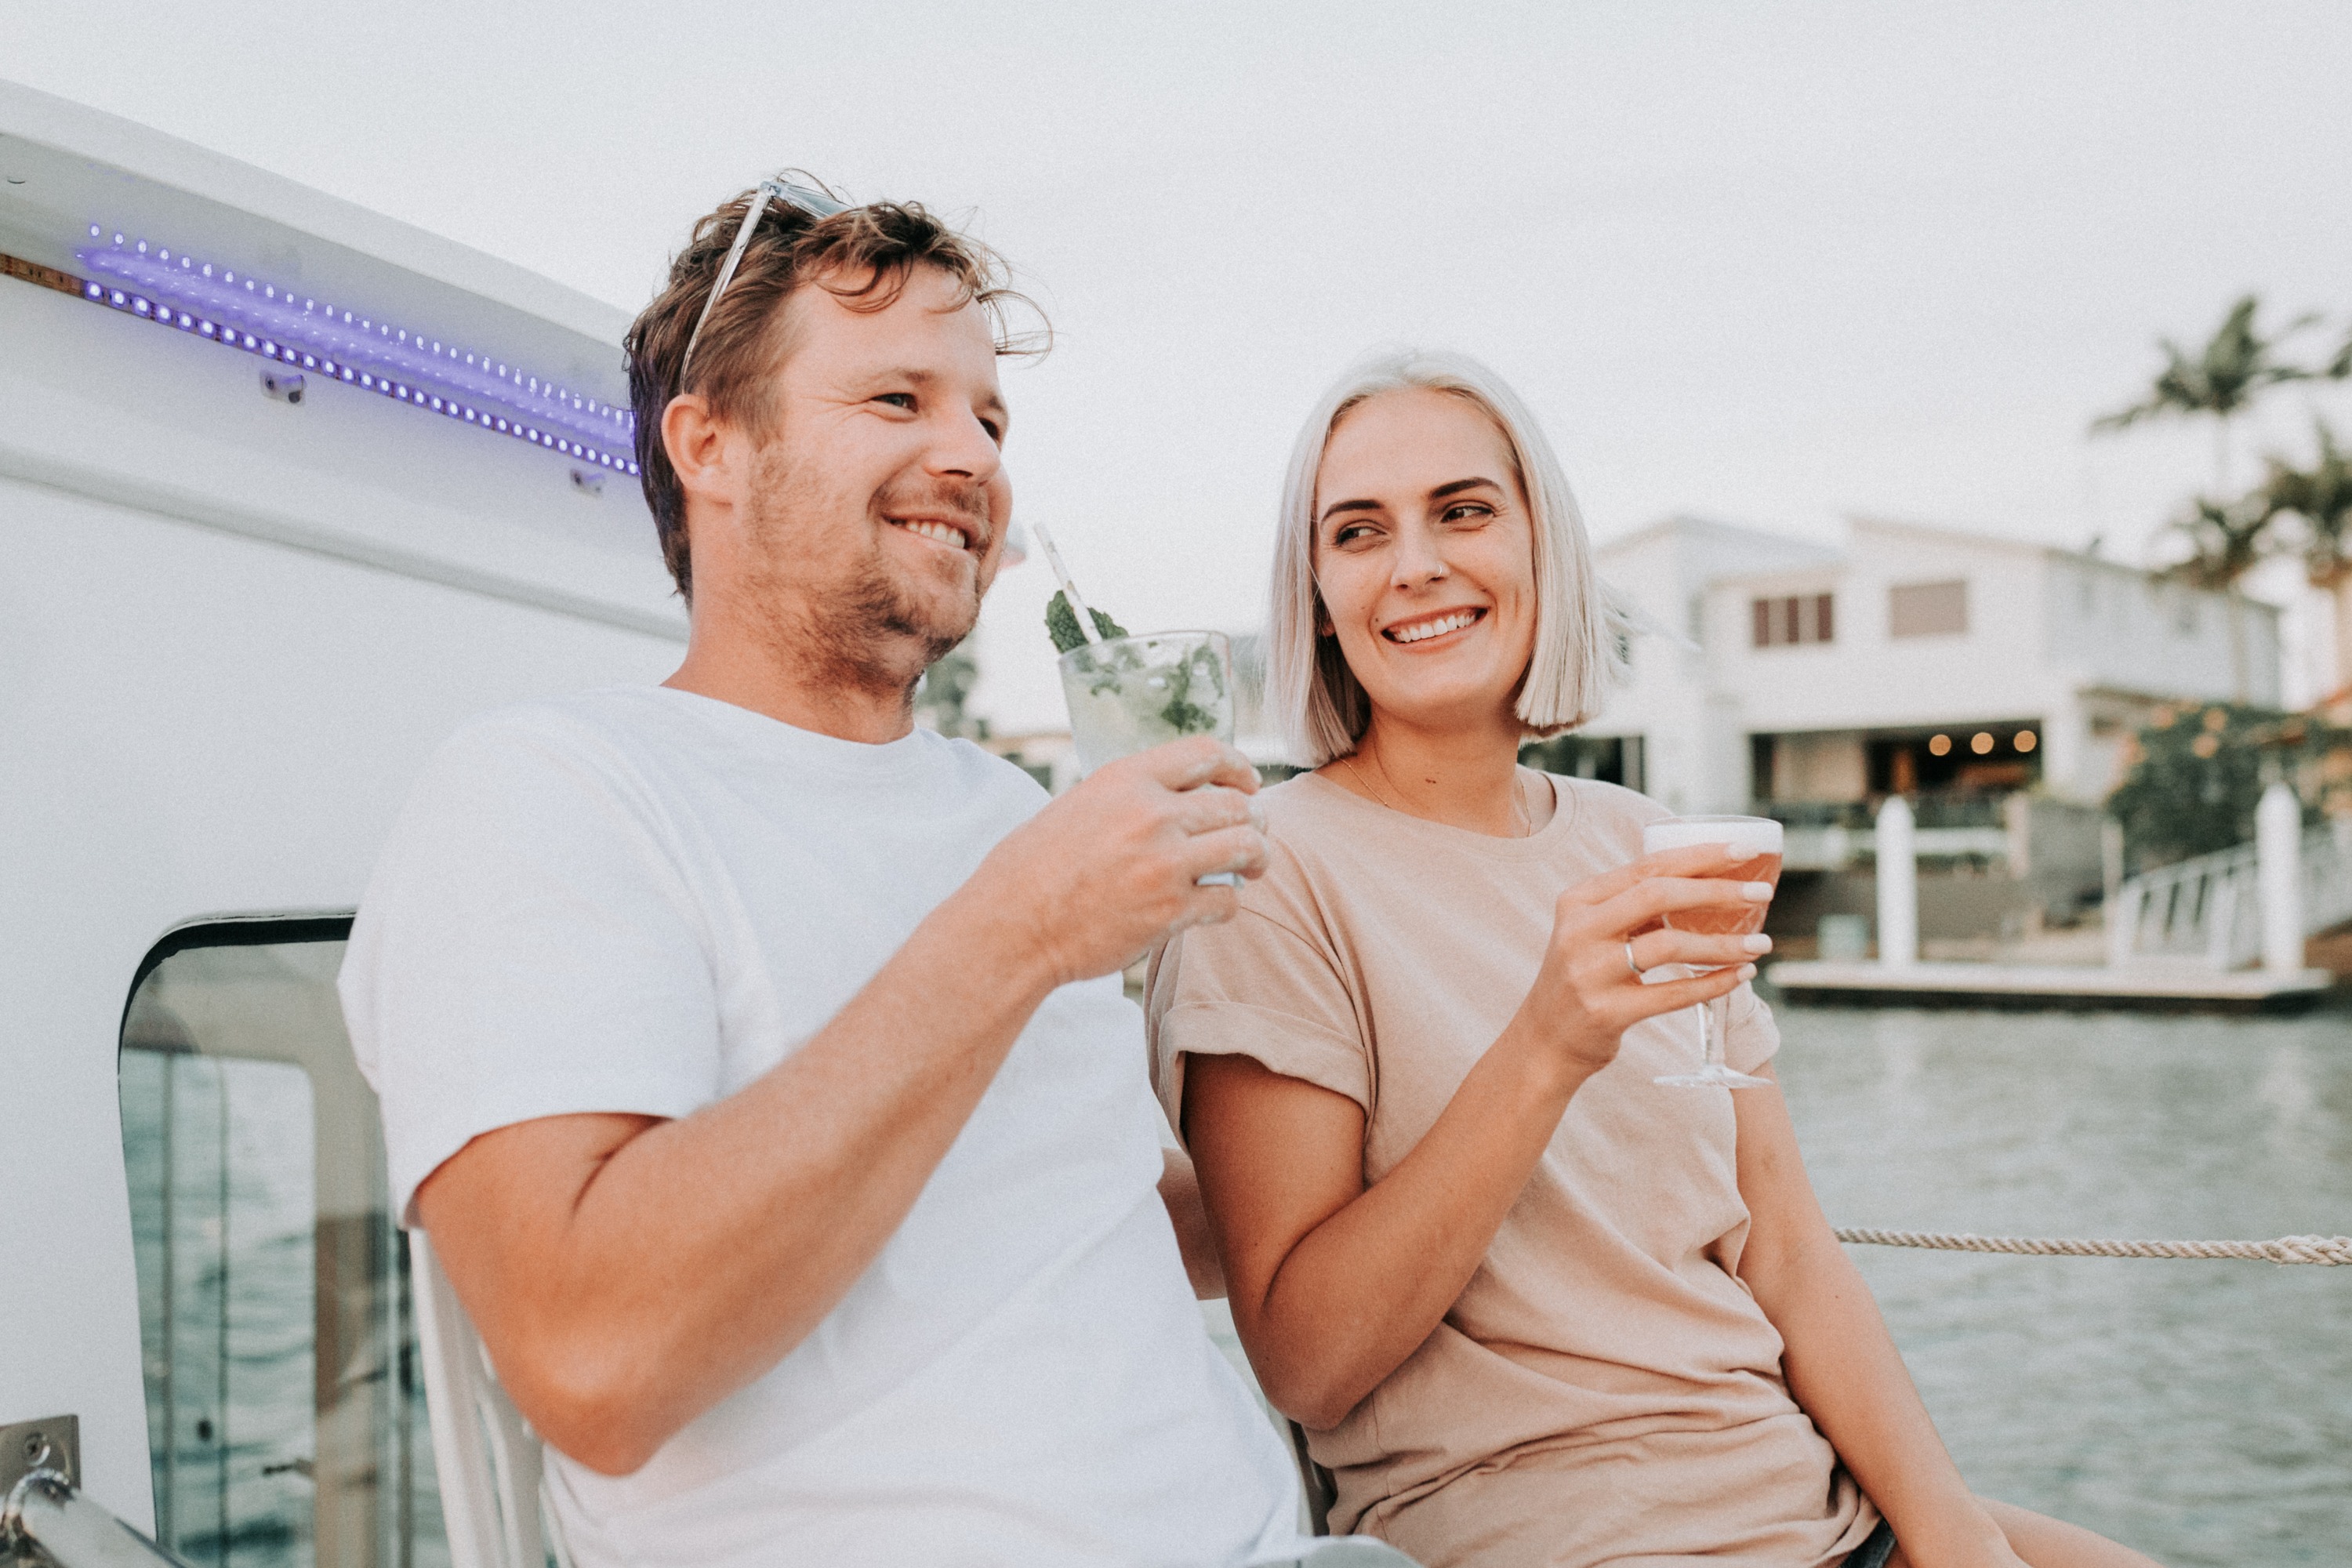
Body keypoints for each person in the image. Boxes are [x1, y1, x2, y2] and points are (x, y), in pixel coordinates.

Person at [338, 178, 1323, 1568]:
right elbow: (594, 1361)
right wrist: (1024, 931)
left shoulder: (1002, 806)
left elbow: (1077, 1213)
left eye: (989, 416)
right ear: (712, 446)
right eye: (897, 401)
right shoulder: (552, 791)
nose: (972, 457)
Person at [1146, 349, 2165, 1568]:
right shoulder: (1271, 872)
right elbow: (1307, 1362)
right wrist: (1547, 1044)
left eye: (1463, 512)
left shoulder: (1642, 843)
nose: (1416, 562)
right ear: (1316, 595)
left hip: (1805, 1504)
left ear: (1543, 550)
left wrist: (1953, 1536)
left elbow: (1783, 1248)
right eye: (1359, 532)